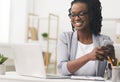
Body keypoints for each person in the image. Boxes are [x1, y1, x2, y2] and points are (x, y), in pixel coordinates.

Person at [57, 0, 116, 77]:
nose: (76, 18)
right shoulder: (65, 38)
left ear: (91, 15)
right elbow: (62, 69)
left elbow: (112, 76)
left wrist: (113, 60)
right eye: (73, 14)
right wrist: (88, 57)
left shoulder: (104, 40)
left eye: (81, 14)